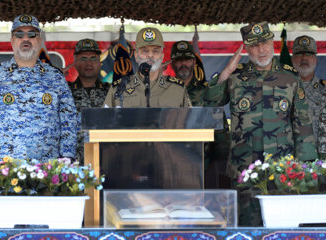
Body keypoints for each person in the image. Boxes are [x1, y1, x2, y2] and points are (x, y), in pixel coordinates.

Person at [204, 22, 318, 226]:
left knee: (282, 226)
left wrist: (305, 169)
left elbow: (302, 124)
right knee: (247, 226)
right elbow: (211, 102)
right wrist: (225, 72)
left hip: (282, 168)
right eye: (254, 45)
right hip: (244, 168)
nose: (261, 49)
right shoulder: (235, 77)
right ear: (246, 48)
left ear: (272, 42)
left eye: (265, 42)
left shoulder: (290, 77)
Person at [0, 14, 78, 162]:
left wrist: (67, 158)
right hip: (1, 173)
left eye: (32, 34)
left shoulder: (55, 77)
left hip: (47, 172)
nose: (25, 39)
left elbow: (68, 121)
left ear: (39, 40)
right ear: (12, 40)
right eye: (19, 34)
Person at [170, 40, 231, 188]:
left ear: (193, 61)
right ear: (172, 63)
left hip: (203, 167)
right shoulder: (164, 92)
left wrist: (223, 166)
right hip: (170, 166)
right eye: (179, 60)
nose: (183, 64)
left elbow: (220, 133)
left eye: (187, 59)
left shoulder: (206, 91)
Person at [103, 27, 191, 107]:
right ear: (136, 56)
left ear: (162, 56)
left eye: (155, 51)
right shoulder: (119, 88)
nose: (150, 55)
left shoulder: (177, 89)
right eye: (145, 51)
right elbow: (104, 121)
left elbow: (190, 122)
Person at [68, 38, 110, 162]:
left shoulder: (111, 92)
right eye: (83, 59)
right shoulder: (65, 92)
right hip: (72, 163)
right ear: (75, 62)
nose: (89, 63)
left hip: (103, 159)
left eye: (93, 59)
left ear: (100, 63)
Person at [291, 35, 325, 153]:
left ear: (315, 59)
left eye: (309, 54)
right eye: (300, 54)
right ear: (292, 59)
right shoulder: (282, 90)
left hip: (321, 159)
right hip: (290, 161)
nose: (304, 57)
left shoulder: (324, 90)